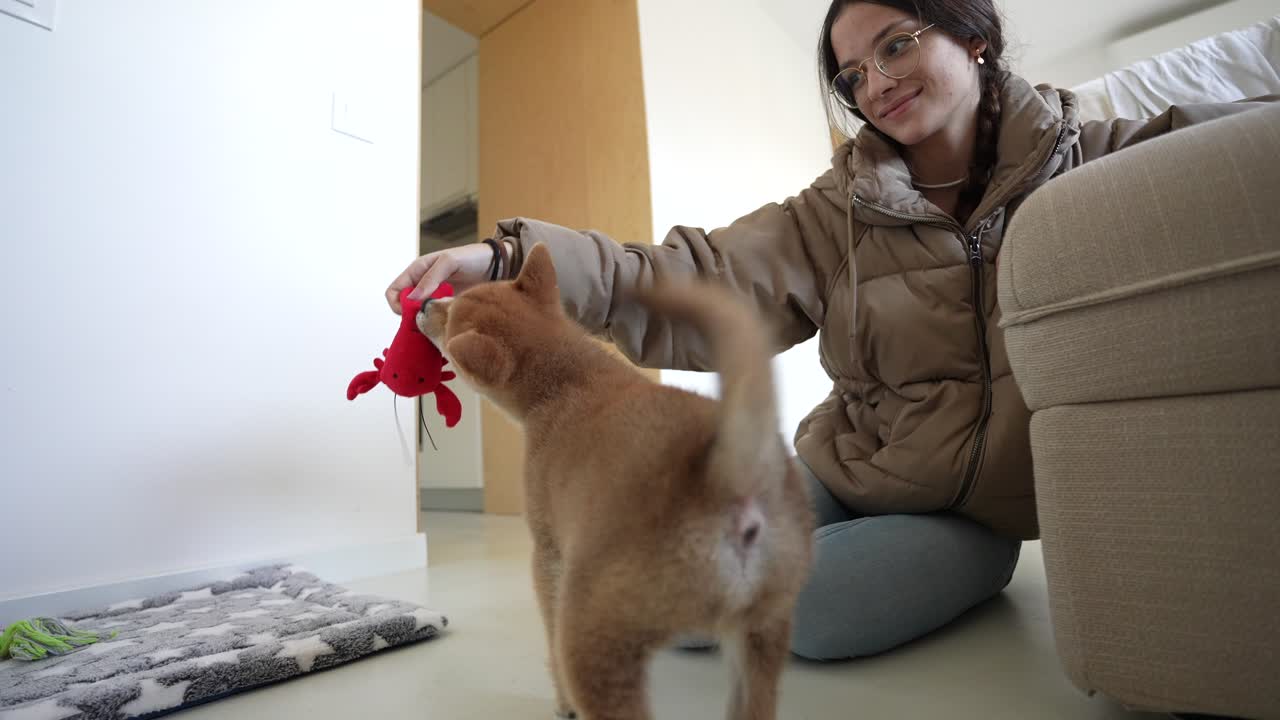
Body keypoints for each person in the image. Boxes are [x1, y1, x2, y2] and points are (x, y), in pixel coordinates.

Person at [387, 0, 1271, 661]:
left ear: (973, 35)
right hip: (843, 467)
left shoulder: (1098, 163)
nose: (875, 83)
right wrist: (507, 258)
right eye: (852, 75)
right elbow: (693, 276)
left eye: (896, 44)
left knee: (805, 611)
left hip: (971, 513)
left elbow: (1238, 162)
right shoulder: (834, 210)